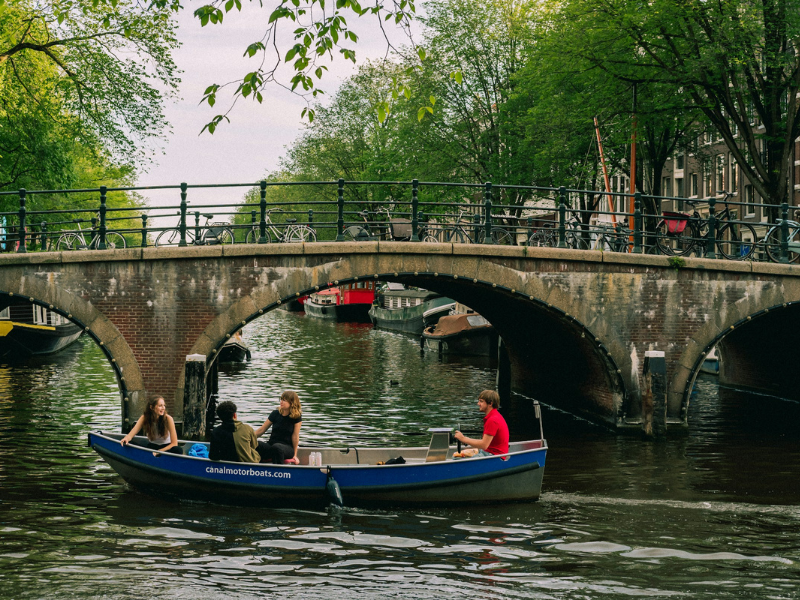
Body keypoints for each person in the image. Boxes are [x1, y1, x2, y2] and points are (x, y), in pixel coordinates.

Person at [454, 389, 509, 456]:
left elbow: (484, 445)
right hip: (490, 452)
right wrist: (465, 440)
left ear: (490, 404)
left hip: (494, 456)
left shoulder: (493, 420)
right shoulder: (495, 416)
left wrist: (463, 439)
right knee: (456, 456)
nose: (478, 403)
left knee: (456, 459)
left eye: (481, 401)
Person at [254, 390, 302, 464]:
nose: (281, 402)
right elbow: (262, 430)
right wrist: (249, 438)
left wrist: (295, 455)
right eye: (281, 399)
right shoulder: (275, 413)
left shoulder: (296, 417)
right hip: (272, 445)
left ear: (291, 403)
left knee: (277, 447)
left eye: (284, 400)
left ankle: (279, 472)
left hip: (287, 448)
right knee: (257, 444)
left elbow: (295, 436)